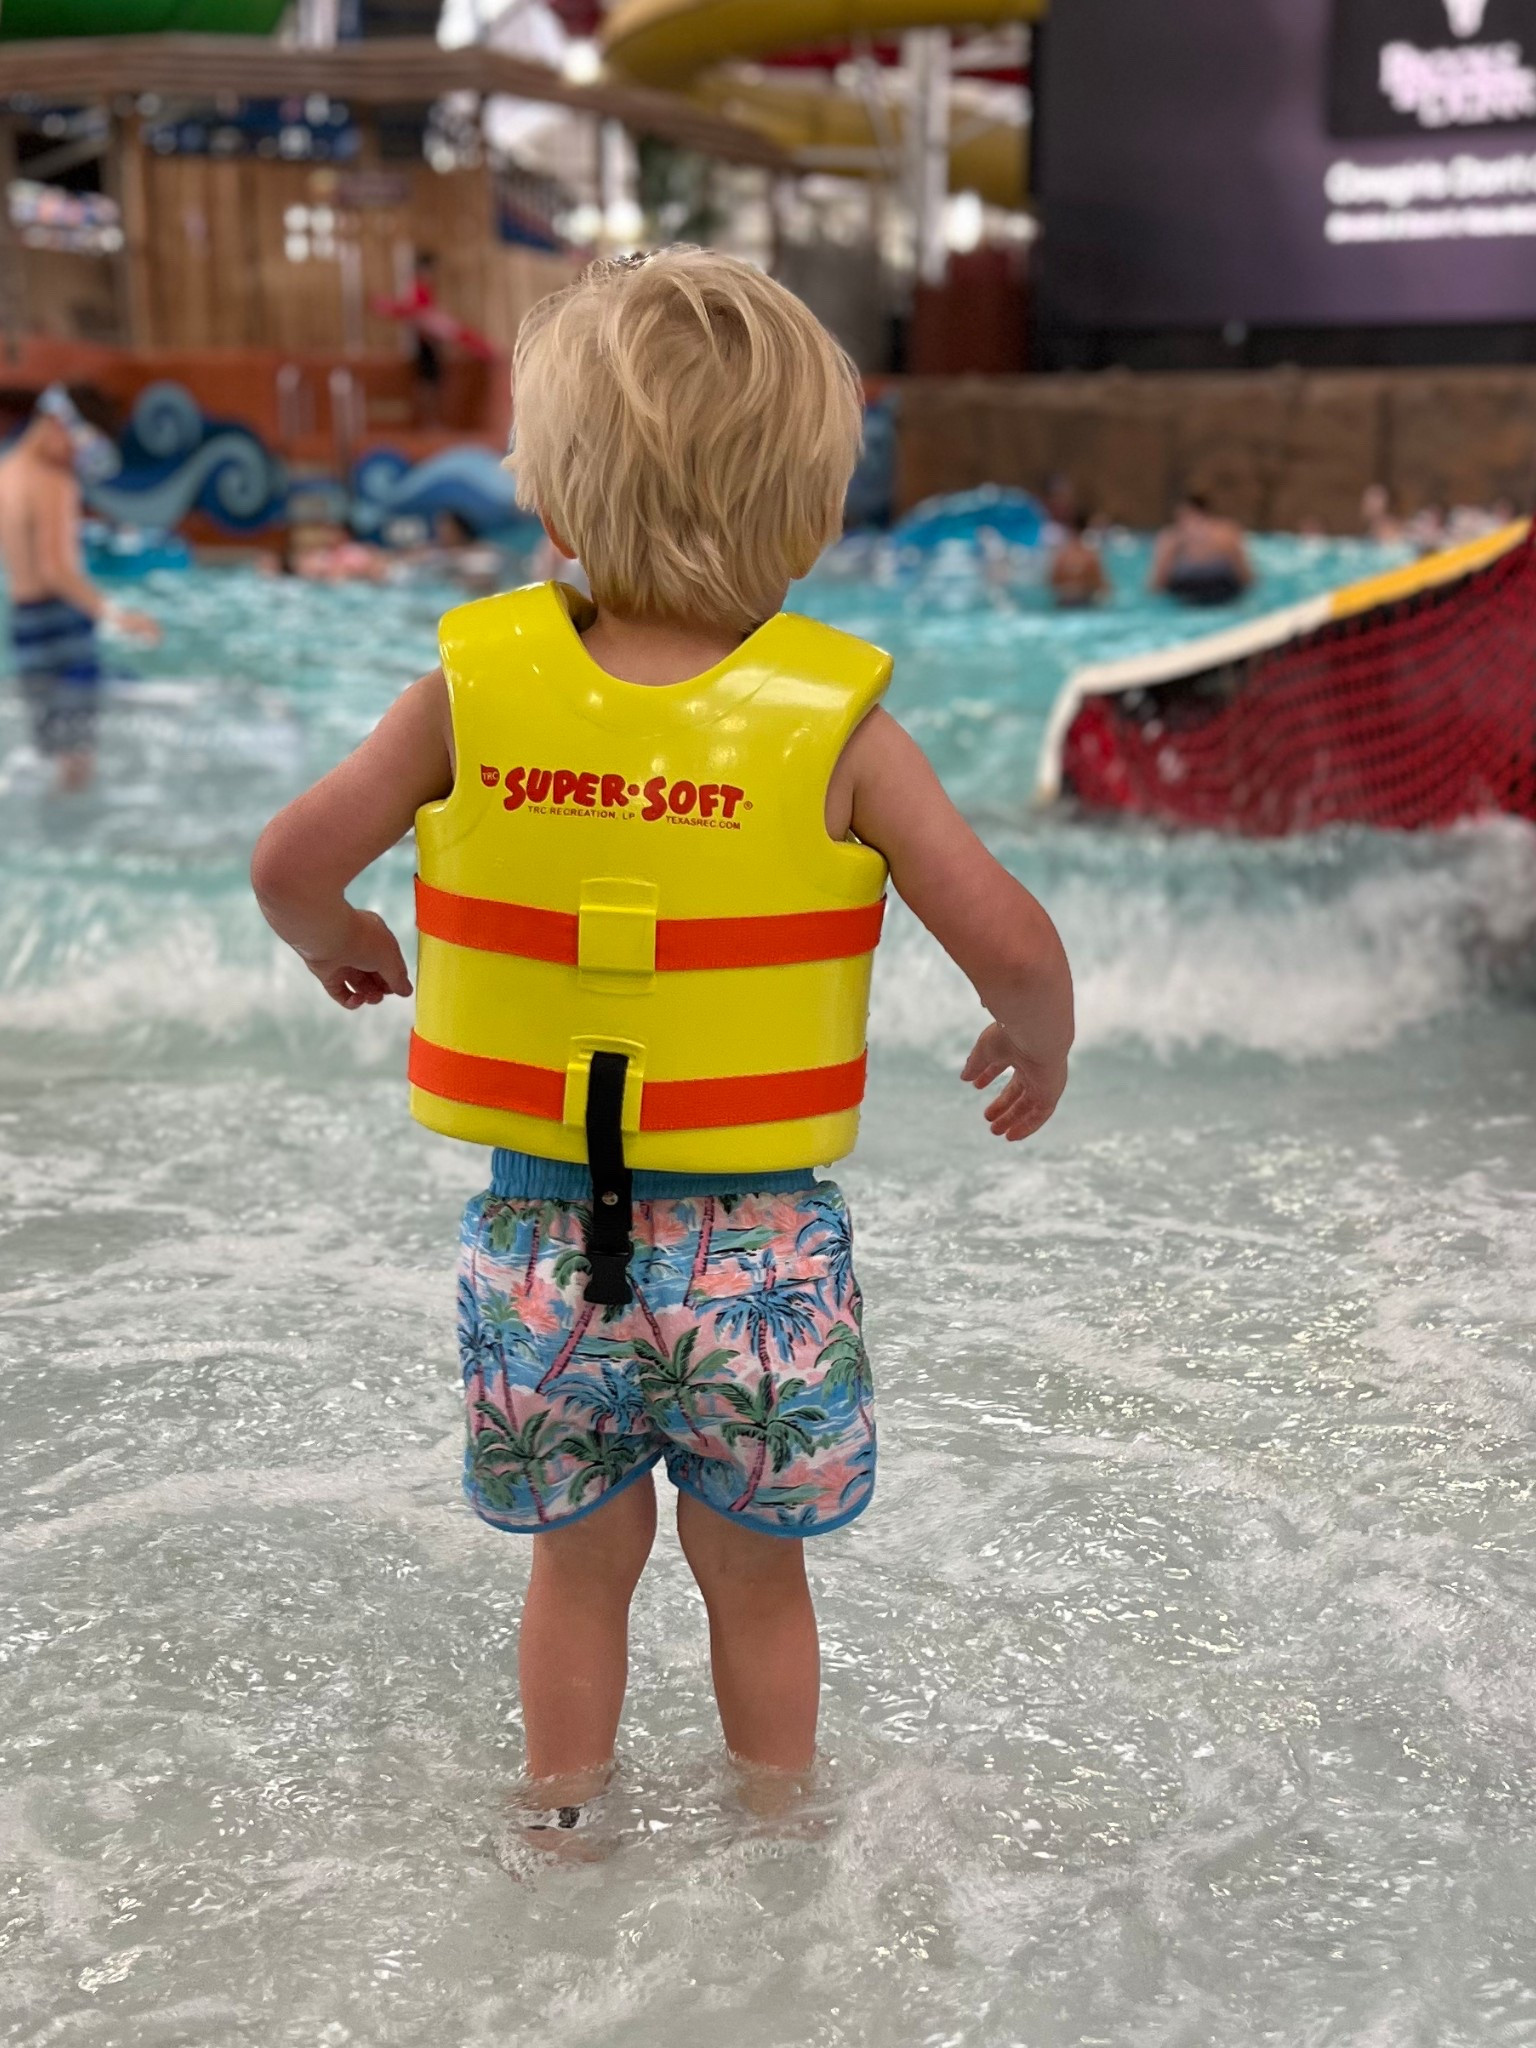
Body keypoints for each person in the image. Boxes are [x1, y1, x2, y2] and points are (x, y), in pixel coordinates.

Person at [250, 249, 1074, 1842]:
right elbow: (1017, 946)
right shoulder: (839, 726)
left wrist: (343, 943)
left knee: (579, 1570)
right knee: (757, 1587)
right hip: (755, 1257)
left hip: (543, 1244)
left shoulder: (467, 694)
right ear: (816, 509)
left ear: (550, 492)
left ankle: (563, 1831)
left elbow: (292, 862)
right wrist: (1032, 1041)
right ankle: (778, 1843)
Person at [0, 384, 159, 793]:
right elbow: (56, 570)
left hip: (25, 627)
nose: (75, 461)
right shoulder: (53, 482)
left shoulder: (7, 471)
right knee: (77, 758)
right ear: (57, 423)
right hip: (60, 627)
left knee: (55, 748)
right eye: (79, 449)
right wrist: (117, 616)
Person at [1150, 492, 1254, 606]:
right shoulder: (1227, 532)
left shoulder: (1172, 537)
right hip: (1221, 590)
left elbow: (1157, 582)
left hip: (1191, 591)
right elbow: (1245, 576)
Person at [1050, 509, 1110, 608]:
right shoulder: (1090, 556)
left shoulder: (1061, 556)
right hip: (1084, 601)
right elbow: (1103, 586)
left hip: (1063, 602)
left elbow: (1052, 582)